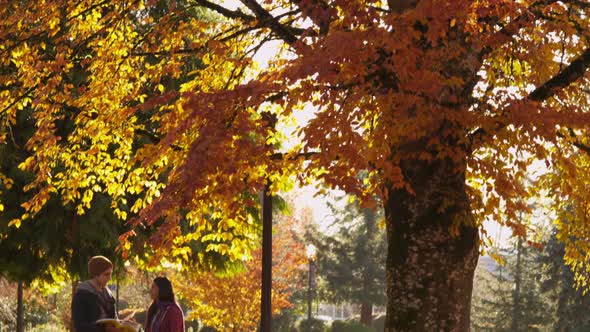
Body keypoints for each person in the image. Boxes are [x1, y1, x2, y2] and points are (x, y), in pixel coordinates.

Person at [72, 255, 118, 332]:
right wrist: (104, 329)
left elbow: (113, 319)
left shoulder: (108, 295)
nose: (110, 278)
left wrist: (123, 324)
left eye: (111, 274)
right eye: (106, 274)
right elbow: (79, 326)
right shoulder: (82, 295)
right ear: (96, 275)